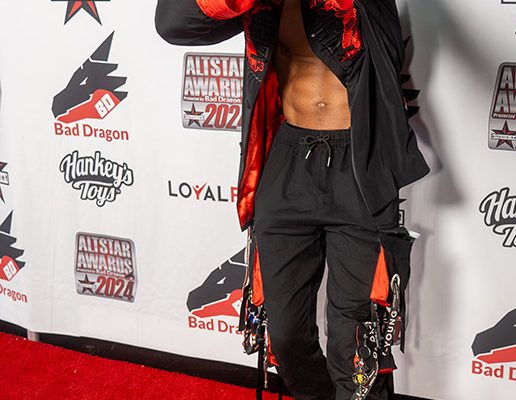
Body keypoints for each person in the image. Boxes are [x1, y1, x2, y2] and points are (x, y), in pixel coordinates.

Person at [155, 1, 429, 399]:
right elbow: (173, 24)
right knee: (284, 335)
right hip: (287, 161)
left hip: (360, 165)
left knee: (356, 342)